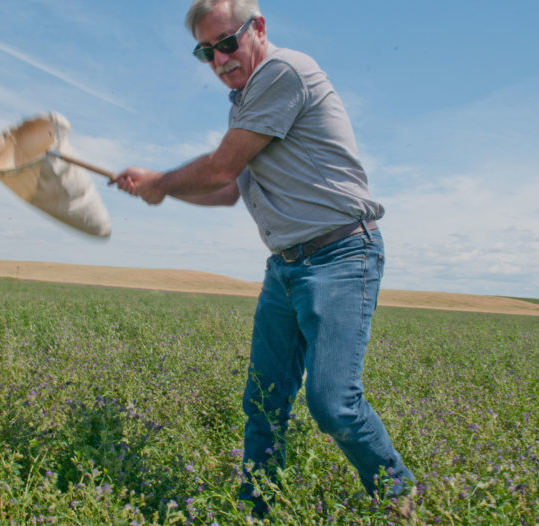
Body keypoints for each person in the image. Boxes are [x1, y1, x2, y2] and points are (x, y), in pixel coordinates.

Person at [112, 0, 415, 517]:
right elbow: (228, 188)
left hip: (341, 255)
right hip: (286, 267)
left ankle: (401, 496)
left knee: (333, 402)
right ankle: (257, 509)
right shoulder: (244, 101)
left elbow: (220, 167)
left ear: (259, 28)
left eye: (227, 42)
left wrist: (162, 182)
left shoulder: (282, 72)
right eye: (206, 51)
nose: (220, 59)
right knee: (263, 400)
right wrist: (156, 189)